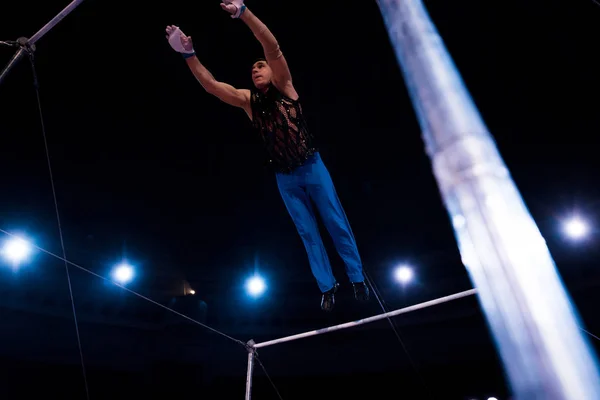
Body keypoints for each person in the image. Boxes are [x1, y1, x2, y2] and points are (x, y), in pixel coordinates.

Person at [165, 0, 369, 311]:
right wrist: (188, 55)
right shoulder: (248, 101)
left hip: (312, 167)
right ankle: (327, 286)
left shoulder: (286, 86)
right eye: (252, 68)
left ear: (273, 71)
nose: (256, 69)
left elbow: (270, 44)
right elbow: (211, 86)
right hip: (285, 177)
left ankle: (356, 277)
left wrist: (244, 13)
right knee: (307, 233)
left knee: (335, 222)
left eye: (261, 66)